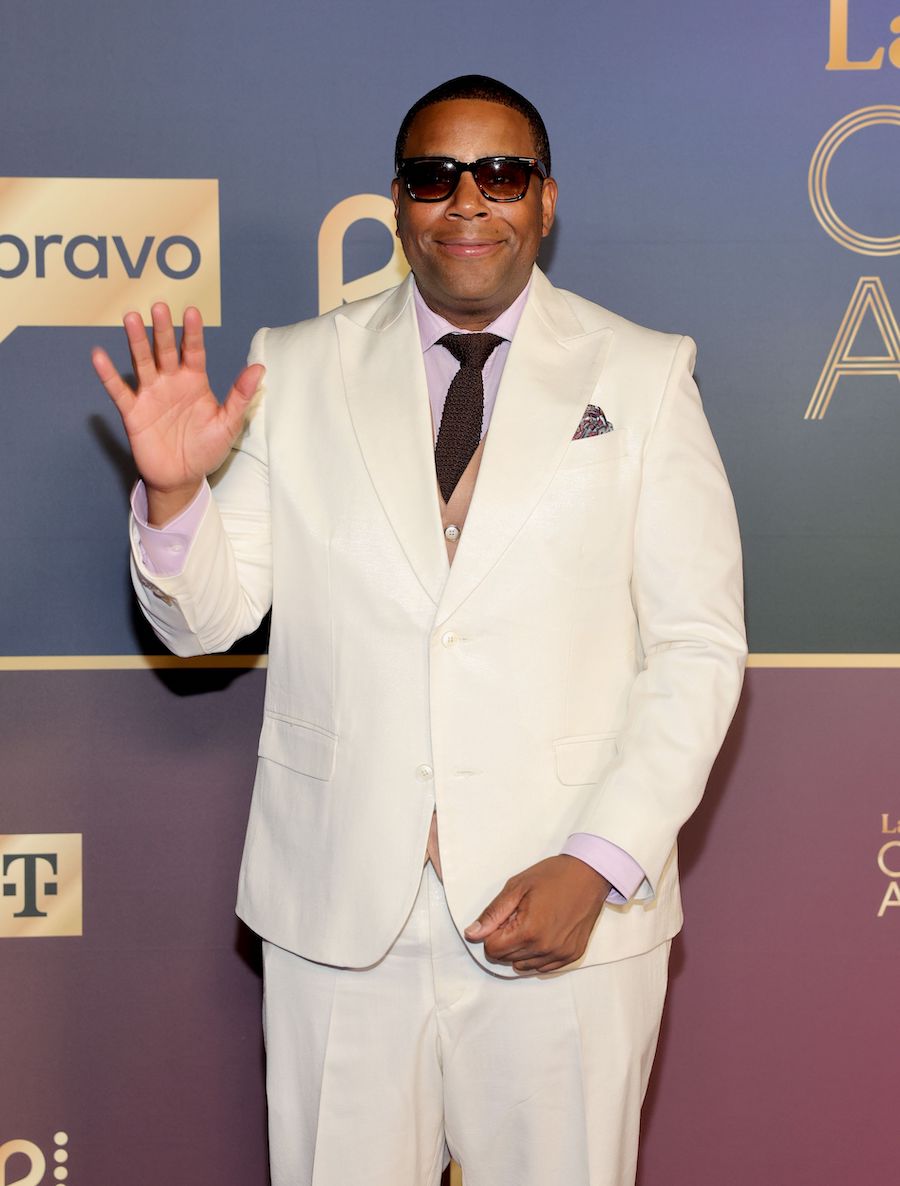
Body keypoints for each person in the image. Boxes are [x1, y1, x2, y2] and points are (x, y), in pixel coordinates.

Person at [93, 75, 746, 1186]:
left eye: (501, 174)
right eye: (435, 177)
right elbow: (206, 624)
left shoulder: (641, 373)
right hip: (343, 917)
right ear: (397, 204)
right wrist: (171, 499)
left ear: (544, 201)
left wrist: (598, 862)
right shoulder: (292, 367)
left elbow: (697, 647)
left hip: (566, 919)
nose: (468, 202)